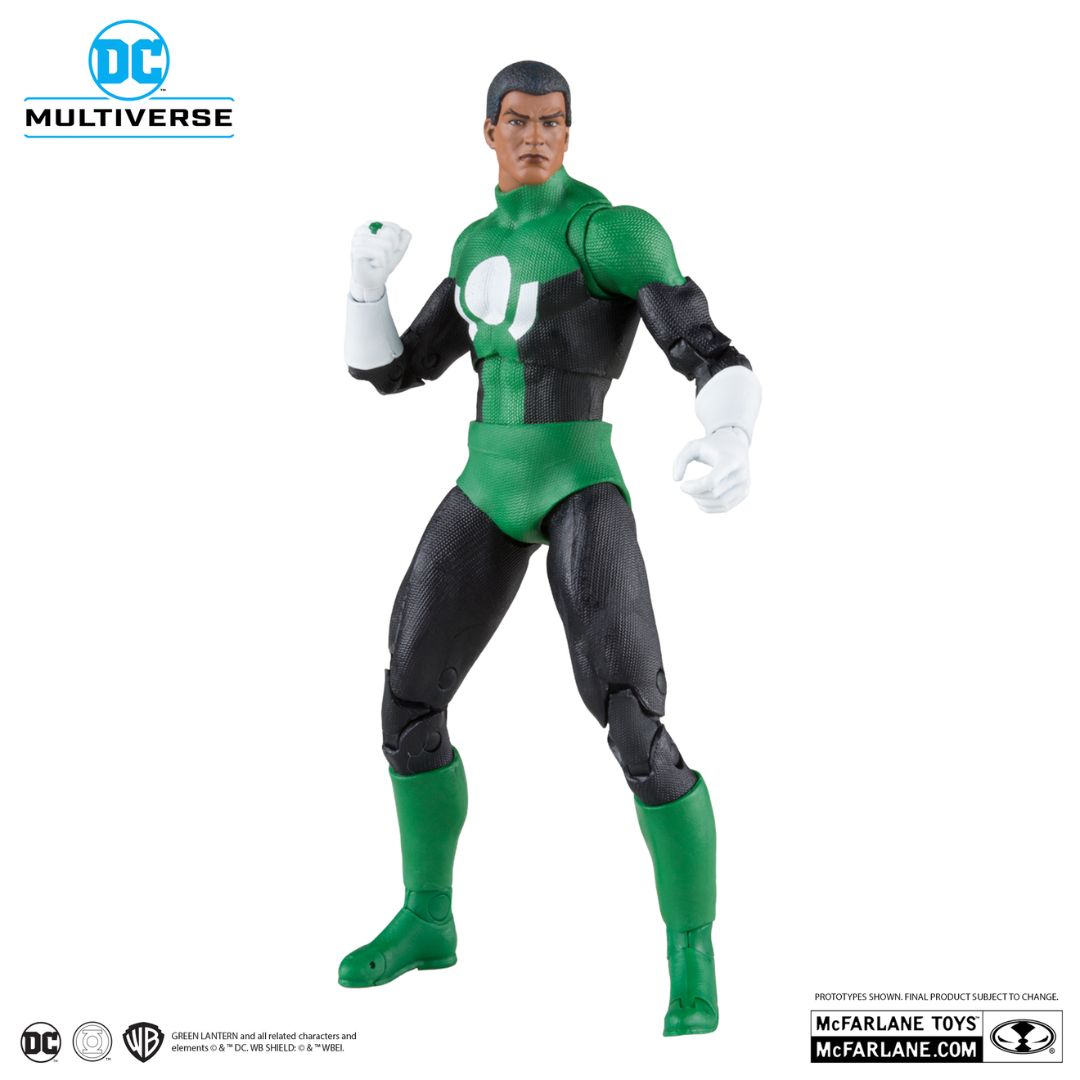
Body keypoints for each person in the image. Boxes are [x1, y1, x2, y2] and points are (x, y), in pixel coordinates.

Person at [338, 60, 761, 1037]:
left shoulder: (607, 231)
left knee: (633, 720)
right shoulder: (476, 244)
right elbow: (397, 370)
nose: (536, 137)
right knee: (407, 700)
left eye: (554, 122)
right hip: (487, 484)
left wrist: (732, 430)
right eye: (520, 121)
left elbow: (707, 348)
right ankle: (428, 919)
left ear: (571, 132)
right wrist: (363, 289)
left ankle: (692, 957)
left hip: (577, 479)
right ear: (488, 131)